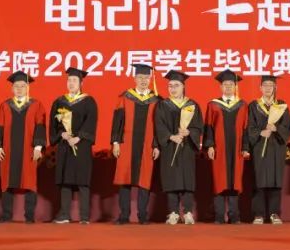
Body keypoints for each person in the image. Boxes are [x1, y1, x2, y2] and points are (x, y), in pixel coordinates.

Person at [0, 71, 46, 224]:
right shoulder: (5, 105)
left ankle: (29, 216)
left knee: (30, 181)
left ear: (28, 87)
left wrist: (38, 146)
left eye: (23, 86)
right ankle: (6, 215)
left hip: (29, 149)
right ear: (12, 88)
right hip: (8, 149)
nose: (19, 89)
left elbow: (40, 126)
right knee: (7, 181)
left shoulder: (36, 105)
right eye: (16, 86)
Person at [109, 64, 160, 224]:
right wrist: (115, 142)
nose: (143, 80)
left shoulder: (156, 100)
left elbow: (159, 126)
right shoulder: (125, 97)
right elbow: (117, 122)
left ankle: (142, 215)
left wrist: (156, 145)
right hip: (126, 144)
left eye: (146, 78)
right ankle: (124, 215)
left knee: (145, 179)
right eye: (140, 77)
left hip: (147, 145)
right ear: (134, 78)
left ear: (150, 79)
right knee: (124, 179)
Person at [154, 70, 204, 225]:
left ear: (183, 87)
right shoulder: (162, 105)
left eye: (176, 85)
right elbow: (159, 125)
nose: (173, 88)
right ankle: (173, 212)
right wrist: (170, 136)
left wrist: (189, 132)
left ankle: (188, 212)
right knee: (171, 180)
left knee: (187, 180)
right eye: (170, 86)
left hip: (187, 147)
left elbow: (198, 126)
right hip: (169, 146)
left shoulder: (192, 105)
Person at [49, 67, 98, 224]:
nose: (71, 83)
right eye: (69, 80)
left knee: (82, 180)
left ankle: (84, 216)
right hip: (64, 146)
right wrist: (61, 134)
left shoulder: (89, 101)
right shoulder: (59, 102)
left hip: (81, 146)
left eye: (74, 80)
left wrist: (79, 137)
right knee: (65, 180)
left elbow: (91, 121)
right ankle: (64, 215)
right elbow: (53, 125)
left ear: (81, 83)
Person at [245, 75, 290, 225]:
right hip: (259, 147)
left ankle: (274, 213)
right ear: (260, 88)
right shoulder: (253, 106)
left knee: (275, 181)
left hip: (277, 147)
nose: (267, 88)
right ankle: (258, 214)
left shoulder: (281, 105)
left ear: (275, 88)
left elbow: (288, 125)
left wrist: (277, 128)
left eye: (270, 85)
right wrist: (260, 132)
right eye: (265, 85)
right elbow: (249, 126)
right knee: (258, 180)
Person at [204, 69, 249, 224]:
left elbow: (246, 128)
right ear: (220, 87)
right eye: (225, 84)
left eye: (231, 84)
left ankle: (234, 216)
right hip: (219, 149)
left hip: (237, 149)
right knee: (219, 179)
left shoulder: (243, 105)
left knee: (235, 180)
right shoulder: (213, 105)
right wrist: (210, 145)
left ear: (235, 86)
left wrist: (245, 147)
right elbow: (208, 127)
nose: (228, 87)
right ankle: (219, 216)